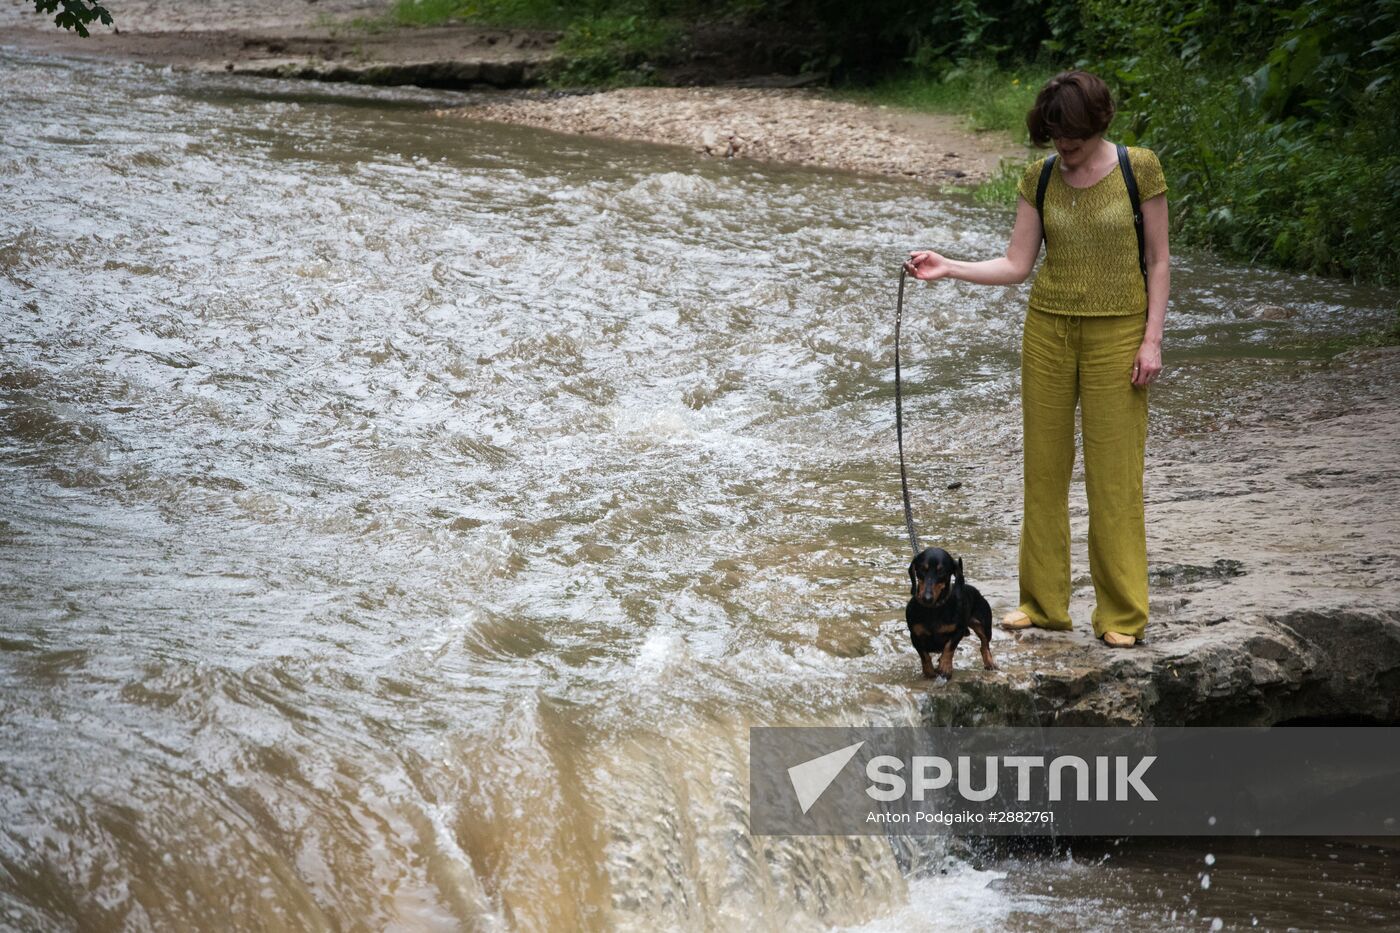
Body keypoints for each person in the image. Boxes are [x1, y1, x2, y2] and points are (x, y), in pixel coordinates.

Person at [904, 70, 1169, 648]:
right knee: (1043, 473)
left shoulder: (1137, 168)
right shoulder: (1039, 177)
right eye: (1052, 136)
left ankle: (1121, 615)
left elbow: (1160, 260)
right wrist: (949, 267)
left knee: (1114, 479)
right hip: (1047, 333)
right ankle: (1044, 604)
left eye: (1070, 136)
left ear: (1096, 123)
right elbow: (1017, 265)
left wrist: (1151, 340)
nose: (1062, 148)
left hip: (1118, 334)